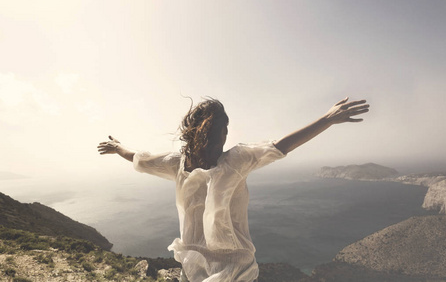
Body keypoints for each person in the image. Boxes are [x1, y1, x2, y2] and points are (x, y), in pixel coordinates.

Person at [97, 97, 369, 282]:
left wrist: (327, 119)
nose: (226, 135)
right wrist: (119, 147)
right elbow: (140, 159)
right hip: (200, 269)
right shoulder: (204, 162)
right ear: (212, 133)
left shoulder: (224, 161)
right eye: (223, 129)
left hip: (230, 272)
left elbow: (281, 145)